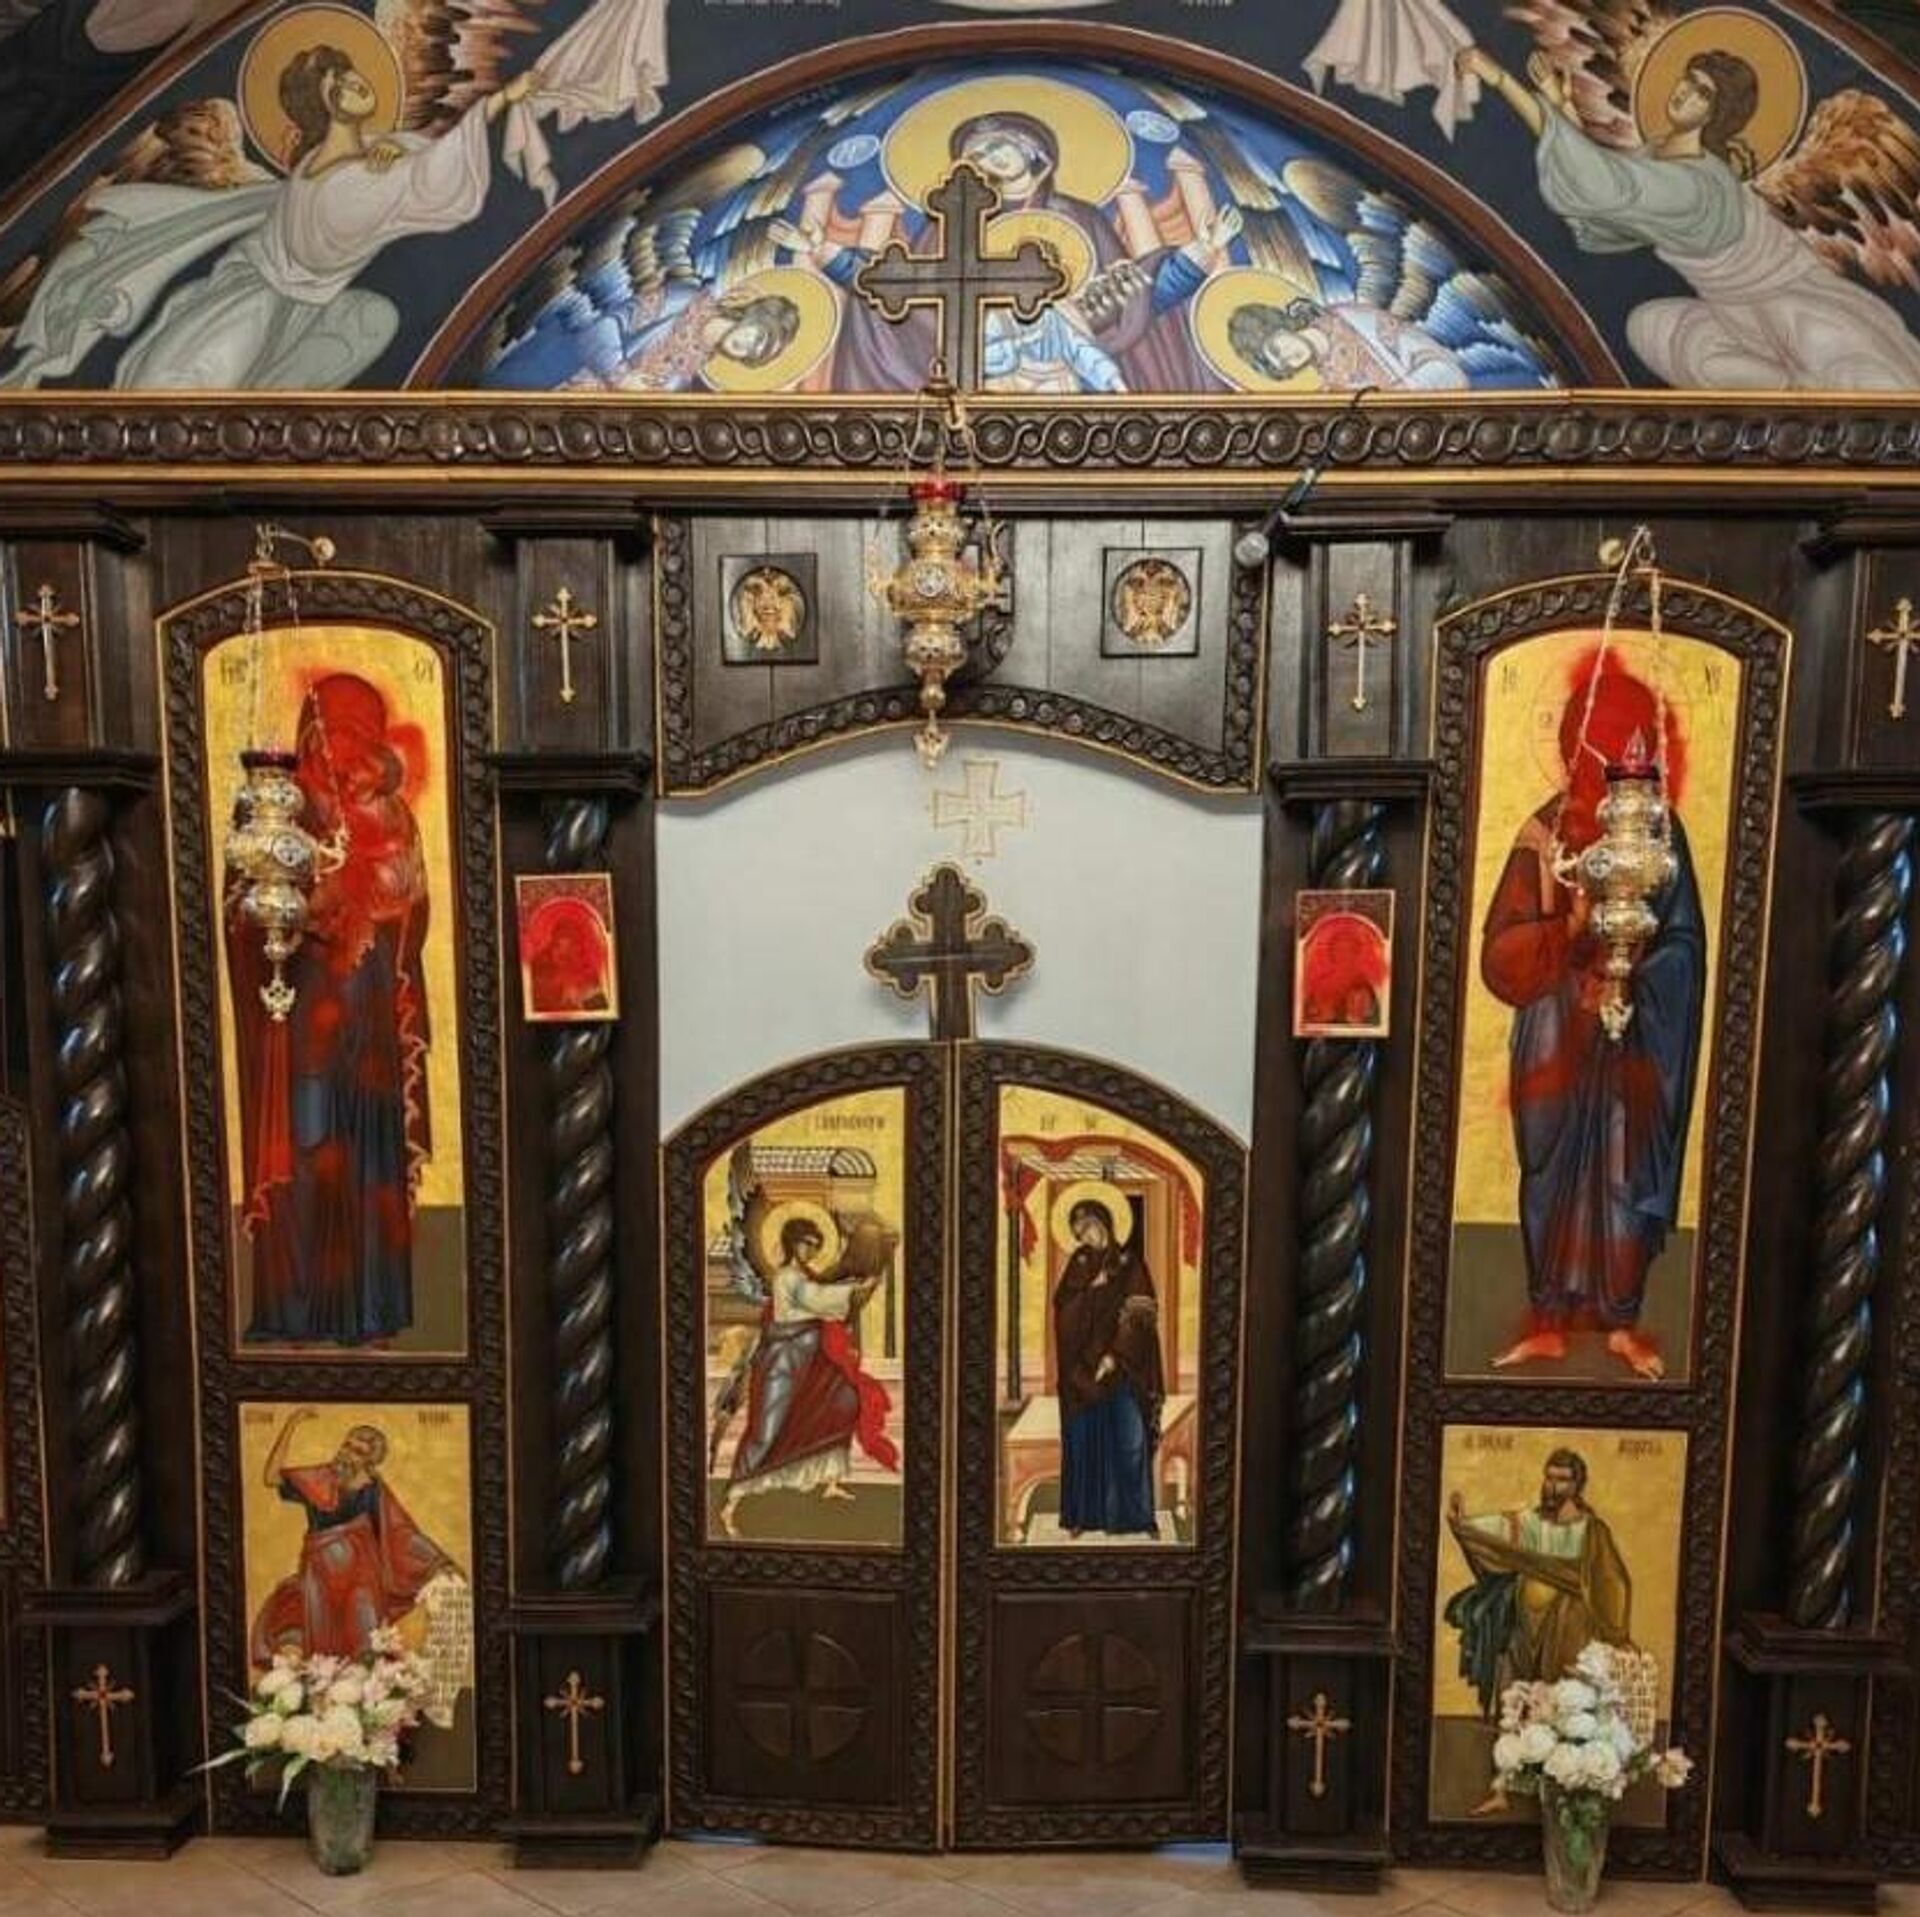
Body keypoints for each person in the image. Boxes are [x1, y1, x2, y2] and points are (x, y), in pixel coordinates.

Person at [1, 43, 544, 389]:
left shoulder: (389, 155)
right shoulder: (320, 174)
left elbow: (432, 177)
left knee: (369, 323)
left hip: (298, 314)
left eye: (355, 79)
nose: (356, 86)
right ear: (324, 101)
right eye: (341, 83)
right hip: (243, 298)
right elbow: (388, 192)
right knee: (175, 387)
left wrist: (496, 106)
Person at [1478, 663, 1705, 1379]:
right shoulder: (1544, 833)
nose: (1612, 756)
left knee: (1623, 1166)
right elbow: (1501, 955)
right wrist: (1569, 931)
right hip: (1556, 1035)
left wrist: (1634, 972)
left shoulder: (1662, 837)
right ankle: (1547, 1319)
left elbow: (1685, 945)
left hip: (1636, 1036)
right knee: (1549, 1166)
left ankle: (1622, 1322)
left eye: (1626, 739)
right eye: (1598, 738)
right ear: (1574, 743)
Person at [1455, 41, 1920, 389]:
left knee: (1853, 368)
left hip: (1786, 298)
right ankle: (1792, 395)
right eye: (1688, 80)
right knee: (1649, 327)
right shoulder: (1654, 156)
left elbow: (1599, 183)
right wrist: (1561, 109)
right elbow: (1600, 176)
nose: (1685, 94)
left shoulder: (1696, 185)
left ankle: (1821, 401)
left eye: (1702, 93)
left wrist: (1500, 79)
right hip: (1728, 311)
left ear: (1717, 114)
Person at [227, 673, 431, 1346]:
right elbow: (241, 909)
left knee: (369, 1156)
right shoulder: (274, 817)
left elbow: (413, 914)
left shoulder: (392, 817)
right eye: (327, 735)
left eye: (352, 736)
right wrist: (303, 912)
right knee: (307, 1145)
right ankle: (296, 1314)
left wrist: (373, 901)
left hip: (367, 1019)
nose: (338, 751)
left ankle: (369, 1314)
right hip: (301, 1014)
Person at [772, 106, 1234, 391]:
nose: (987, 158)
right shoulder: (953, 221)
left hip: (1071, 378)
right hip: (976, 376)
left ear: (1034, 152)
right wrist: (825, 250)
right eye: (975, 155)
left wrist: (1201, 252)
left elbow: (1138, 297)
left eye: (998, 146)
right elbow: (892, 289)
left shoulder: (1080, 217)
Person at [719, 1215, 898, 1538]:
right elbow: (815, 1300)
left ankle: (830, 1480)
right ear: (792, 1243)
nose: (811, 1250)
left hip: (811, 1357)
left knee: (843, 1401)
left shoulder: (805, 1275)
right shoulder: (787, 1277)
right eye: (807, 1243)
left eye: (816, 1245)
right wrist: (855, 1290)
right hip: (784, 1361)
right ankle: (732, 1501)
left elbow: (821, 1298)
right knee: (767, 1431)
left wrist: (854, 1288)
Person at [250, 1411, 457, 1666]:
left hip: (362, 1579)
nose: (347, 1453)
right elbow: (271, 1477)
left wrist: (438, 1562)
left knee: (366, 1642)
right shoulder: (318, 1479)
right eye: (347, 1445)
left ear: (370, 1461)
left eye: (358, 1451)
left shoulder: (374, 1490)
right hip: (319, 1577)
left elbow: (400, 1533)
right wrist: (291, 1425)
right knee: (321, 1649)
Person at [1443, 1448, 1633, 1721]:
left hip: (1569, 1625)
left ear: (1577, 1485)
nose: (1552, 1486)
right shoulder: (1531, 1523)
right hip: (1525, 1626)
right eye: (1549, 1477)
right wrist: (1463, 1522)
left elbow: (1612, 1581)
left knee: (1563, 1698)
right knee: (1520, 1697)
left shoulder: (1592, 1531)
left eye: (1562, 1479)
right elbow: (1497, 1529)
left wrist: (1618, 1634)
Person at [1052, 1197, 1164, 1537]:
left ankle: (1139, 1518)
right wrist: (1090, 1290)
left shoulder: (1130, 1263)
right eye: (1079, 1232)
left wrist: (1115, 1355)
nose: (1086, 1236)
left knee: (1131, 1441)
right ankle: (1084, 1518)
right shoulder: (1080, 1263)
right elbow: (1062, 1310)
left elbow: (1141, 1313)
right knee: (1084, 1442)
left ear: (1104, 1222)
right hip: (1084, 1373)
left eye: (1088, 1227)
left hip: (1124, 1369)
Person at [1225, 293, 1466, 390]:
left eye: (1277, 348)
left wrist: (1397, 396)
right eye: (1279, 364)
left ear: (1281, 328)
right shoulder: (1326, 389)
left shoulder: (1354, 320)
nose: (1287, 358)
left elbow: (1445, 370)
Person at [524, 896, 611, 1016]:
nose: (562, 953)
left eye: (570, 947)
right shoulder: (543, 969)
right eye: (558, 945)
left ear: (578, 948)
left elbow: (597, 1006)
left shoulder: (587, 974)